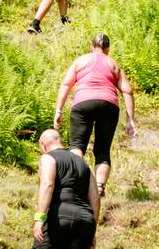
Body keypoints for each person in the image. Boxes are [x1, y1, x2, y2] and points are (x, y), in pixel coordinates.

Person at [54, 33, 136, 197]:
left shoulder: (81, 61)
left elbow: (65, 84)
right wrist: (130, 120)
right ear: (108, 49)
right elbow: (127, 90)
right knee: (102, 150)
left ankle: (74, 184)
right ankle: (99, 187)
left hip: (83, 103)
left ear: (91, 47)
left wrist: (58, 110)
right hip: (108, 105)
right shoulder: (112, 63)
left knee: (77, 146)